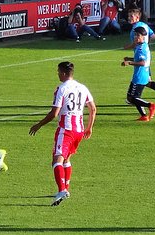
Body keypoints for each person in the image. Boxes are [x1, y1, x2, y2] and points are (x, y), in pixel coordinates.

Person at [28, 61, 97, 206]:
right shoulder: (83, 87)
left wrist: (39, 124)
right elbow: (93, 108)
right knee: (66, 160)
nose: (57, 74)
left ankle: (61, 190)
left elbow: (54, 113)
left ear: (64, 73)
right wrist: (89, 128)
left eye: (58, 72)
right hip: (79, 130)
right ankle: (66, 189)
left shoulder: (61, 89)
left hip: (66, 130)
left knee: (57, 160)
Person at [121, 27, 155, 121]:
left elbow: (142, 63)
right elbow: (140, 60)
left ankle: (150, 105)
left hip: (139, 76)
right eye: (135, 35)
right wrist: (130, 58)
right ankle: (144, 116)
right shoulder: (142, 45)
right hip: (143, 75)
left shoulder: (141, 49)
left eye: (138, 35)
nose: (135, 37)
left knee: (131, 98)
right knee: (135, 97)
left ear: (144, 37)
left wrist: (129, 63)